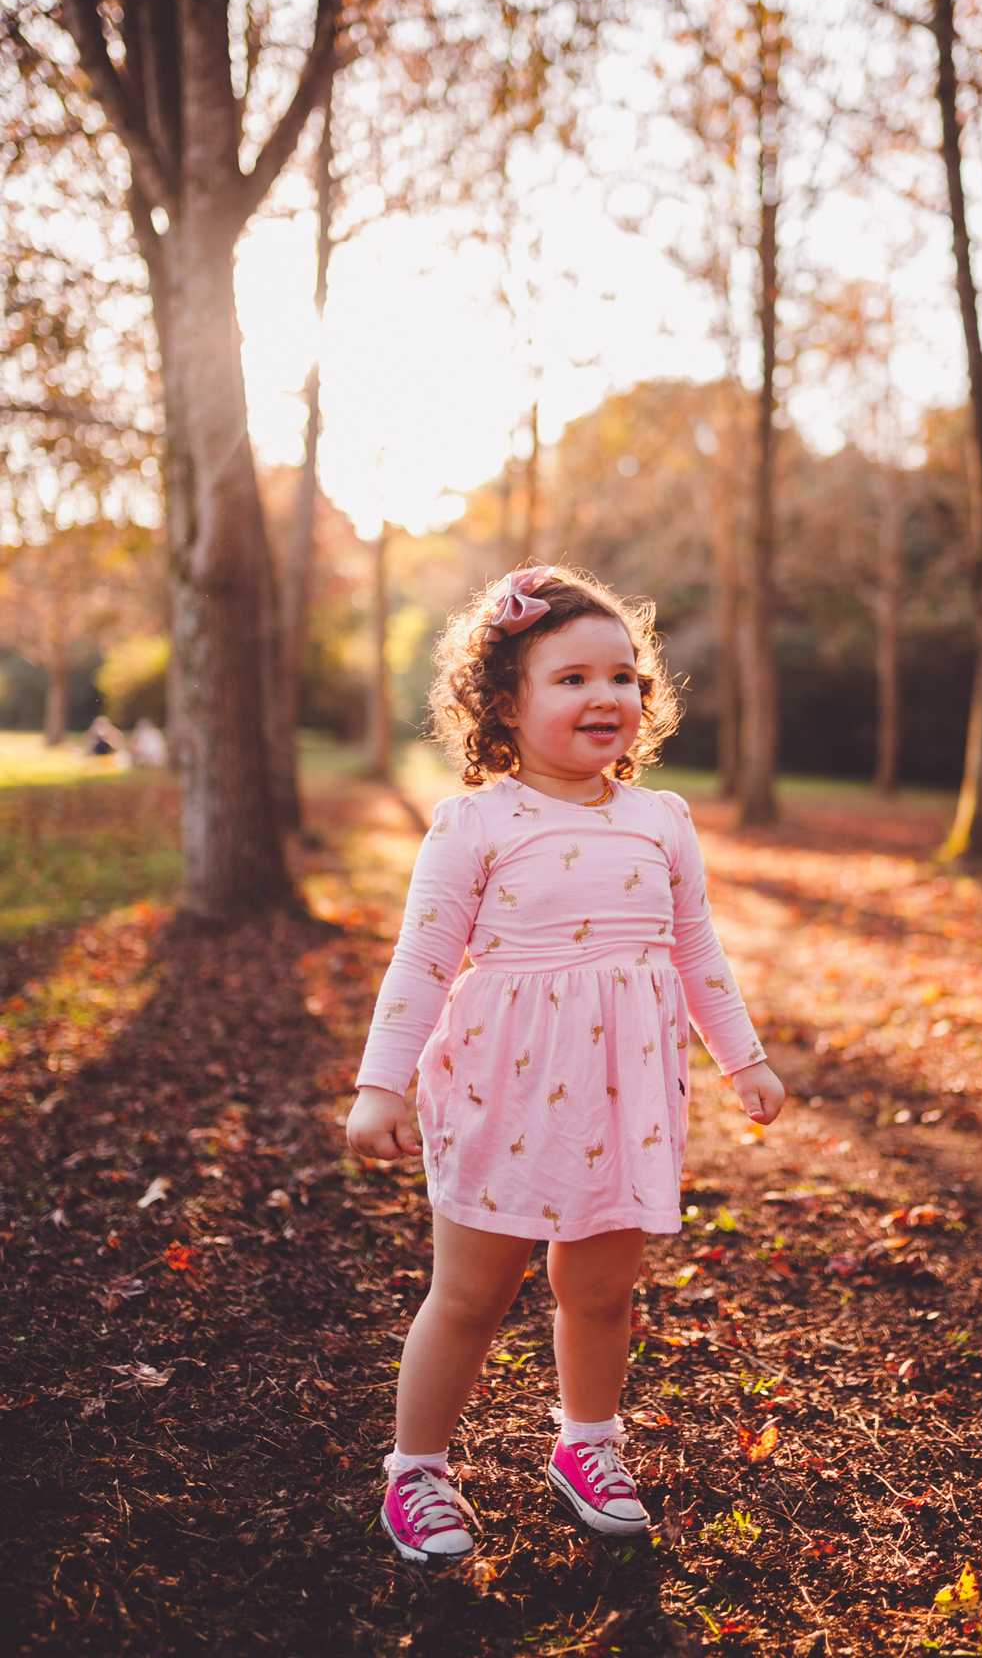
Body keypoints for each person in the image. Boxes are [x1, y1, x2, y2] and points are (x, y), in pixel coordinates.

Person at [346, 564, 785, 1566]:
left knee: (600, 1290)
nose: (606, 696)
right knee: (471, 1295)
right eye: (573, 678)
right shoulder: (475, 824)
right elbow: (422, 959)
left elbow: (697, 952)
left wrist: (743, 1060)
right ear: (507, 704)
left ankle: (587, 1443)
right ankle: (418, 1468)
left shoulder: (661, 820)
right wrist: (381, 1083)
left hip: (625, 1094)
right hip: (502, 1087)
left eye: (623, 676)